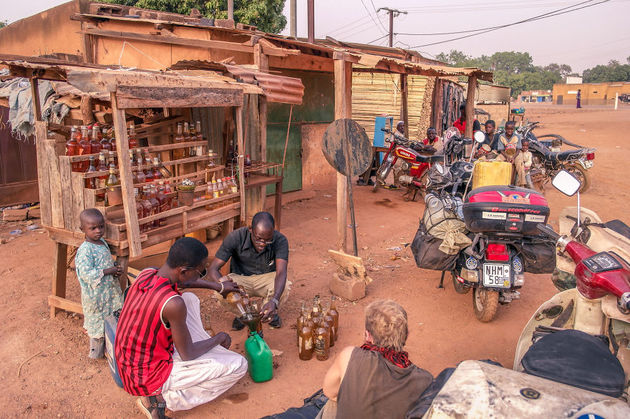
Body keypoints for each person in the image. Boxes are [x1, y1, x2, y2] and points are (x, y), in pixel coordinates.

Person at [115, 237, 247, 418]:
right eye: (200, 272)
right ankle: (159, 400)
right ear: (183, 271)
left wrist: (218, 286)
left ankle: (189, 351)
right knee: (239, 365)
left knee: (190, 299)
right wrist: (218, 338)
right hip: (146, 375)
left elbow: (185, 283)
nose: (201, 276)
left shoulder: (148, 273)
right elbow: (188, 354)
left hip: (128, 360)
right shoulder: (173, 305)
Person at [318, 300, 433, 419]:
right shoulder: (425, 381)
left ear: (368, 336)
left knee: (333, 403)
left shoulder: (349, 356)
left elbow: (329, 392)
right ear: (407, 335)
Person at [209, 211, 289, 330]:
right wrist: (224, 286)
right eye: (258, 239)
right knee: (219, 292)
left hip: (265, 279)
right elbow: (213, 269)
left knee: (285, 286)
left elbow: (281, 272)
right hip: (240, 280)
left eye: (268, 240)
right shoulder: (235, 237)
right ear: (251, 229)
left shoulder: (280, 240)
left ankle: (268, 311)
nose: (262, 244)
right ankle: (242, 314)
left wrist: (275, 300)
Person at [75, 208, 123, 359]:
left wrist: (115, 269)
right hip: (95, 297)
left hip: (108, 293)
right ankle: (96, 353)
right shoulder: (85, 251)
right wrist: (109, 270)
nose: (98, 231)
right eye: (93, 228)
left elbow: (105, 262)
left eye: (101, 227)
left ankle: (111, 350)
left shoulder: (102, 242)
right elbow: (86, 274)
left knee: (111, 318)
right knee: (97, 324)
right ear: (83, 229)